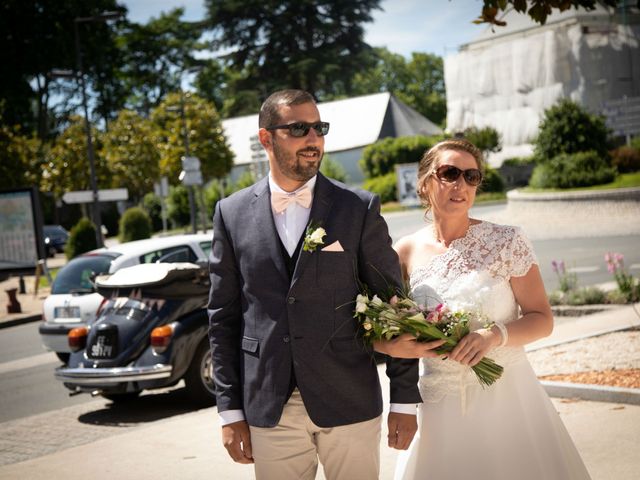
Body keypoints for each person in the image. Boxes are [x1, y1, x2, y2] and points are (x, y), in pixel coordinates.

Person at [207, 89, 441, 480]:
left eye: (319, 128)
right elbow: (223, 318)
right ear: (266, 138)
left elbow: (394, 304)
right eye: (299, 128)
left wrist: (403, 399)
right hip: (269, 405)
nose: (314, 139)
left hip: (348, 398)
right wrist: (229, 411)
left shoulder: (357, 207)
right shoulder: (230, 214)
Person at [375, 139, 592, 480]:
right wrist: (400, 397)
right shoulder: (403, 252)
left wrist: (494, 336)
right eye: (449, 173)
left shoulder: (507, 241)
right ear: (424, 182)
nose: (461, 184)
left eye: (471, 176)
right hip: (440, 404)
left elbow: (542, 319)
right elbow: (393, 331)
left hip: (508, 398)